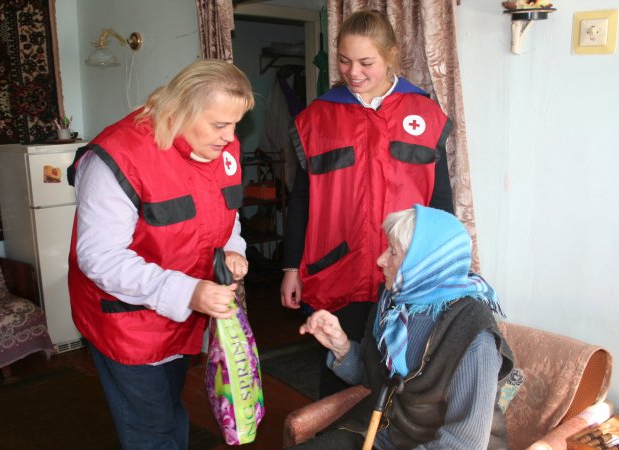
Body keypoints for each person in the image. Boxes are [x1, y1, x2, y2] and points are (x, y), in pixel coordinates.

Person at [67, 59, 254, 450]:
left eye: (236, 124)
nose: (230, 137)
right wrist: (188, 292)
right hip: (127, 323)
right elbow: (100, 258)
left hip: (180, 319)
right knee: (150, 431)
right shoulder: (117, 156)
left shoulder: (221, 148)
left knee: (169, 409)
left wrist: (231, 249)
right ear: (181, 109)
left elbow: (227, 214)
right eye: (220, 125)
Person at [280, 9, 455, 397]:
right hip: (336, 269)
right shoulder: (317, 118)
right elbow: (302, 199)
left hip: (403, 270)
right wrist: (291, 266)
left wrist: (443, 267)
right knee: (336, 370)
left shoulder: (425, 114)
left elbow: (441, 199)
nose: (353, 72)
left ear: (390, 55)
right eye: (344, 61)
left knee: (398, 374)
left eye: (365, 62)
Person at [289, 205, 514, 449]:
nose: (380, 260)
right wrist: (341, 346)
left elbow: (463, 443)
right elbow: (373, 378)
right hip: (383, 434)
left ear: (424, 263)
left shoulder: (474, 335)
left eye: (393, 252)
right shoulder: (393, 305)